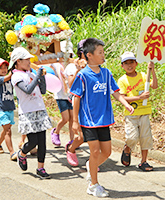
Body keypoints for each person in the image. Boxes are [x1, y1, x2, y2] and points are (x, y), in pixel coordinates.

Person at [70, 38, 134, 197]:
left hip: (104, 120)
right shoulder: (83, 76)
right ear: (89, 55)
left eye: (103, 52)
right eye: (100, 52)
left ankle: (91, 166)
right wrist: (75, 122)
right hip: (88, 121)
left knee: (106, 152)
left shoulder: (106, 73)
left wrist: (125, 103)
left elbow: (116, 91)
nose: (103, 55)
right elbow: (76, 98)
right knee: (95, 151)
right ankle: (93, 185)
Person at [10, 47, 53, 179]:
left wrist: (42, 77)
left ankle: (41, 168)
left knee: (42, 141)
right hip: (27, 112)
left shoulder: (31, 73)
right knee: (33, 141)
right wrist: (38, 75)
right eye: (26, 59)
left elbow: (43, 90)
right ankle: (22, 154)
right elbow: (27, 89)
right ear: (18, 61)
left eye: (29, 59)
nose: (29, 61)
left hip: (40, 109)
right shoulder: (16, 76)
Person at [117, 52, 158, 171]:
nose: (129, 65)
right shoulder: (122, 80)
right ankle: (127, 148)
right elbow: (122, 97)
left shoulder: (143, 75)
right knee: (132, 137)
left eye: (131, 62)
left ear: (136, 63)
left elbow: (154, 86)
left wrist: (153, 71)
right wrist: (139, 98)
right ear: (122, 66)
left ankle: (144, 161)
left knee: (145, 137)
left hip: (144, 111)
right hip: (131, 114)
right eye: (126, 63)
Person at [63, 39, 87, 167]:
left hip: (92, 103)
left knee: (95, 135)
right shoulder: (72, 66)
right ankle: (71, 148)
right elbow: (72, 86)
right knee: (84, 135)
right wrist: (78, 70)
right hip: (79, 102)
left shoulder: (94, 65)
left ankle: (94, 161)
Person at [50, 40, 75, 147]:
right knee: (65, 118)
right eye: (65, 53)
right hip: (60, 94)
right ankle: (56, 132)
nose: (67, 56)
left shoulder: (73, 64)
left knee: (72, 119)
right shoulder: (55, 64)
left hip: (71, 94)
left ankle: (72, 140)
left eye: (69, 53)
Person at [0, 58, 17, 161]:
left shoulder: (9, 78)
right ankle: (12, 153)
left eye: (5, 67)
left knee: (6, 129)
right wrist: (14, 70)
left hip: (10, 107)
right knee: (8, 131)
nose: (4, 69)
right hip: (1, 109)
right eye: (1, 68)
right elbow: (8, 77)